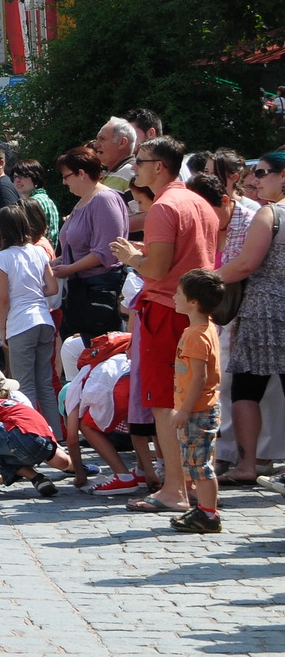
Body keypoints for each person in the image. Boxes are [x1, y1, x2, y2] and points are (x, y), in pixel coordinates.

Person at [110, 136, 219, 515]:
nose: (135, 168)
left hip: (165, 310)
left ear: (159, 166)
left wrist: (130, 257)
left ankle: (175, 490)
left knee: (164, 402)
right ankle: (187, 485)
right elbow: (186, 257)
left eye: (140, 162)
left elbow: (157, 269)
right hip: (192, 311)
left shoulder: (163, 206)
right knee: (191, 400)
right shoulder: (197, 201)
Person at [213, 153, 285, 484]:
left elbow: (245, 265)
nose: (254, 180)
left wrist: (205, 279)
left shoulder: (270, 213)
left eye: (261, 173)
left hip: (265, 311)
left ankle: (246, 466)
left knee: (245, 388)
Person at [0, 204, 62, 435]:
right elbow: (51, 288)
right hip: (44, 320)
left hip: (21, 323)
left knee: (24, 385)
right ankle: (56, 434)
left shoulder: (1, 258)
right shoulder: (39, 251)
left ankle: (31, 434)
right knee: (45, 384)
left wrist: (2, 328)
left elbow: (3, 298)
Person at [50, 146, 128, 344]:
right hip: (80, 290)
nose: (63, 181)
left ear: (81, 174)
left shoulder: (104, 199)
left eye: (66, 176)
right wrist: (57, 262)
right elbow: (76, 247)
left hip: (98, 291)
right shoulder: (84, 200)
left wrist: (69, 268)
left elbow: (107, 252)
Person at [169, 269, 225, 532]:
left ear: (193, 302)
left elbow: (199, 378)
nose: (174, 297)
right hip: (200, 408)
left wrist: (184, 410)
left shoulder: (196, 335)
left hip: (198, 411)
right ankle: (203, 508)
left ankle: (209, 515)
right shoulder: (205, 328)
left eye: (178, 294)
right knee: (195, 463)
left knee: (200, 466)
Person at [95, 116, 142, 239]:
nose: (96, 145)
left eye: (102, 139)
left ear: (122, 143)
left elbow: (146, 217)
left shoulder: (131, 173)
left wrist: (100, 225)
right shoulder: (108, 173)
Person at [10, 159, 59, 241]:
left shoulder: (34, 202)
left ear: (36, 177)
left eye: (23, 176)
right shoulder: (46, 199)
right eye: (15, 177)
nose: (17, 180)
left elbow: (30, 237)